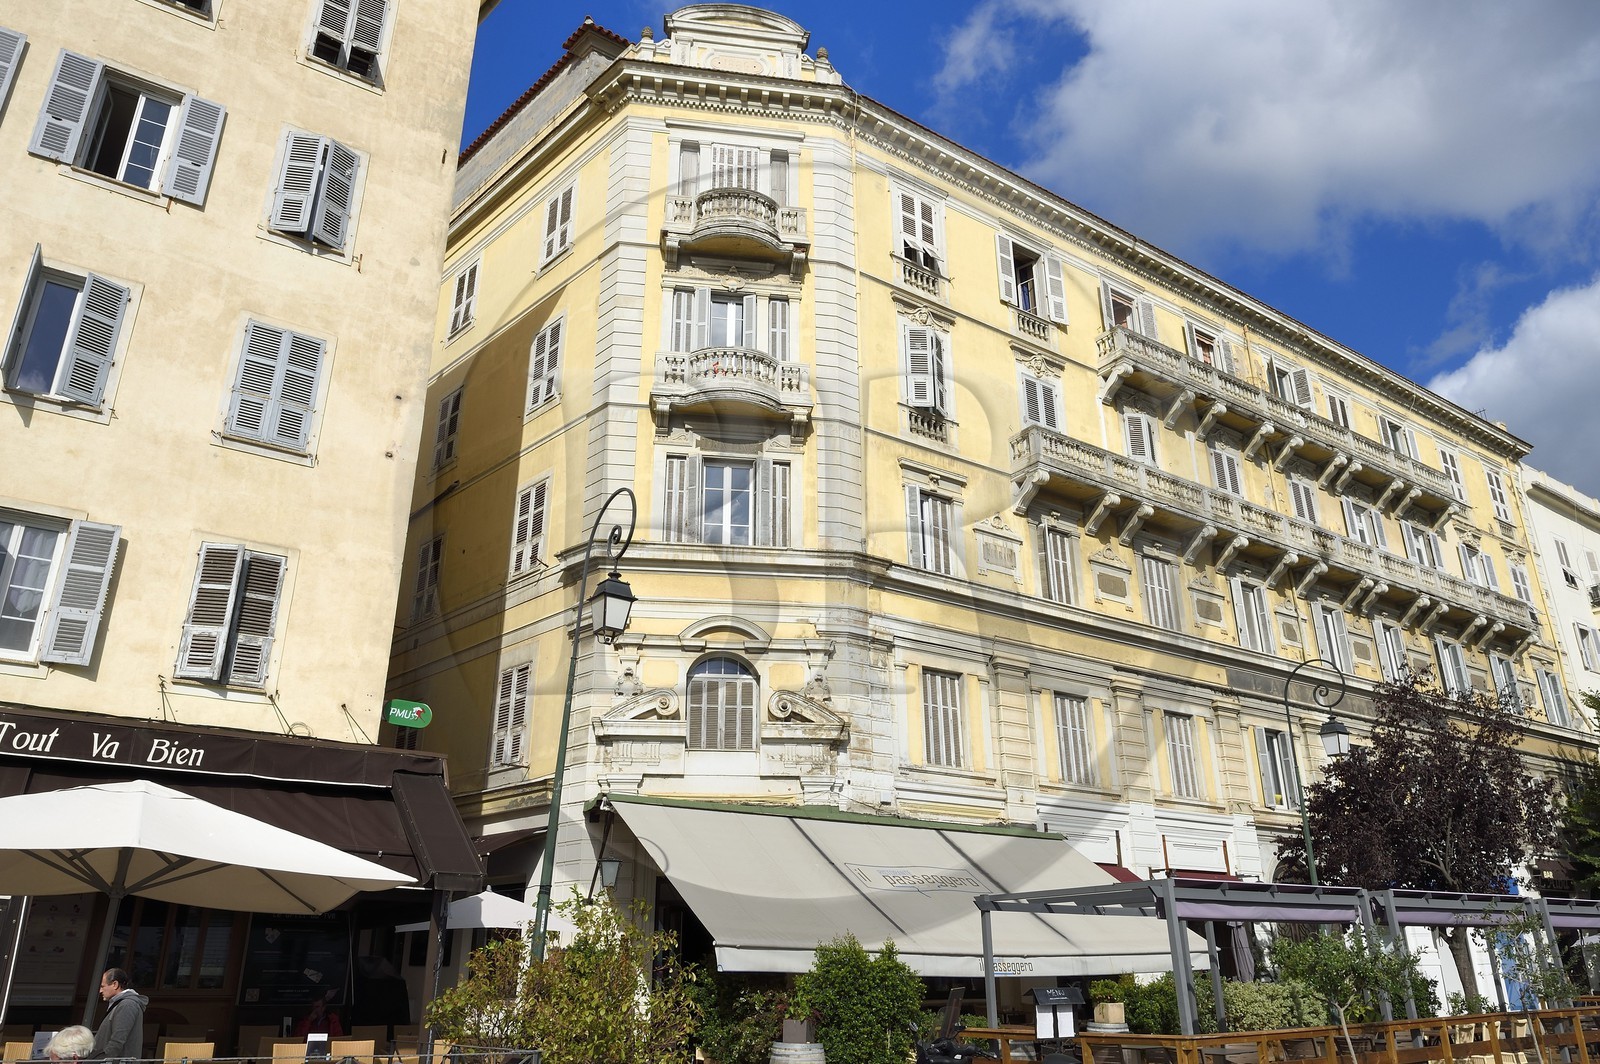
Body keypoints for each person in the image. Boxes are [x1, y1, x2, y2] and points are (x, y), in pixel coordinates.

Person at [92, 968, 147, 1063]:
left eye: (102, 986)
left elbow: (117, 1040)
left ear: (115, 984)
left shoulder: (127, 1005)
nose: (100, 991)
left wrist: (100, 1060)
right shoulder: (121, 1003)